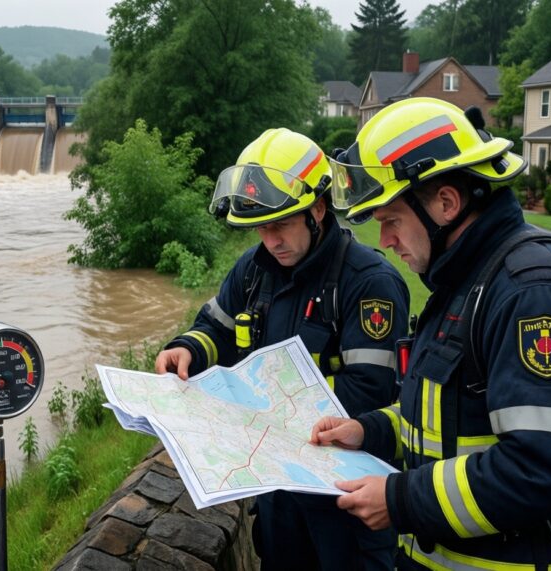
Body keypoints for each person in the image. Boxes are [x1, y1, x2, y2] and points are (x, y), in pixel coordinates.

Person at [310, 97, 551, 569]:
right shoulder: (468, 279)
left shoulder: (534, 296)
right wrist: (368, 430)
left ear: (445, 203)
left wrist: (400, 500)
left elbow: (545, 466)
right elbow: (451, 420)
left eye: (391, 220)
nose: (385, 241)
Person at [155, 128, 409, 570]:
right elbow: (215, 327)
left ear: (317, 210)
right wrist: (187, 350)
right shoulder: (253, 272)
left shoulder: (369, 284)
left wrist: (260, 406)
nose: (271, 240)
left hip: (346, 504)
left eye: (282, 225)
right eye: (261, 228)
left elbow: (370, 392)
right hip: (279, 495)